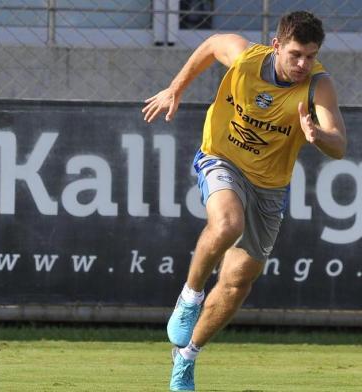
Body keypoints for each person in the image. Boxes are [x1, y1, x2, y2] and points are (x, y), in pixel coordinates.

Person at [142, 10, 347, 392]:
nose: (303, 64)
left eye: (311, 55)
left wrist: (318, 136)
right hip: (221, 158)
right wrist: (176, 88)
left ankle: (186, 357)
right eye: (295, 54)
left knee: (238, 281)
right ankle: (190, 297)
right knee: (227, 223)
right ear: (276, 46)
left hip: (270, 187)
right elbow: (208, 45)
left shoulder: (318, 87)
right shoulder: (245, 56)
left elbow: (340, 144)